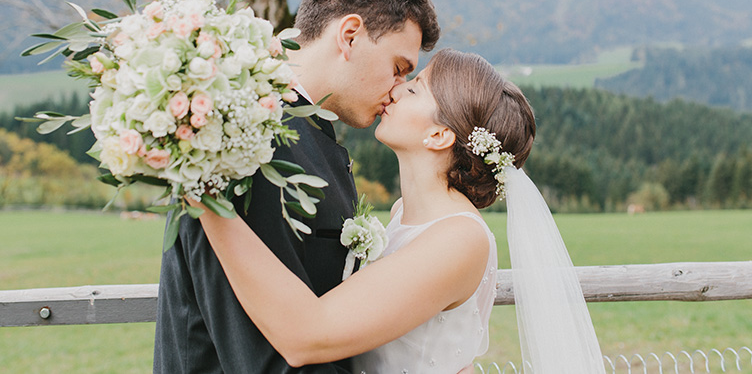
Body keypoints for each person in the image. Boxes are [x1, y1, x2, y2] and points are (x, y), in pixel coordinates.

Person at [194, 49, 606, 373]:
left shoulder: (460, 239)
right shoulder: (402, 212)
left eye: (415, 89)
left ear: (439, 134)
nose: (395, 89)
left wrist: (204, 199)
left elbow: (308, 335)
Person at [153, 0, 441, 374]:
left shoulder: (306, 134)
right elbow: (258, 352)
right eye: (398, 69)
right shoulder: (248, 141)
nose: (398, 90)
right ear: (350, 36)